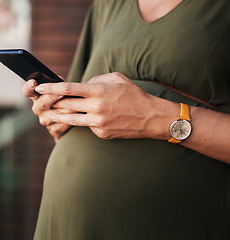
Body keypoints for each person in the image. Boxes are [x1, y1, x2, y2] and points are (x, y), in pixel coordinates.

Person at [23, 0, 230, 239]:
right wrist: (60, 118)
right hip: (65, 224)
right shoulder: (108, 5)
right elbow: (82, 125)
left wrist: (157, 118)